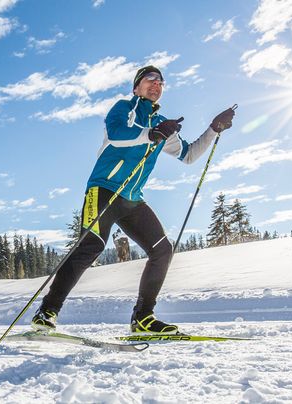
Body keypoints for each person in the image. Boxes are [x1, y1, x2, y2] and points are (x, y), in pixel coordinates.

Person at [31, 65, 235, 335]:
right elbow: (117, 136)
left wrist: (213, 129)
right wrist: (152, 134)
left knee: (163, 250)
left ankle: (143, 318)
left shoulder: (163, 125)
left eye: (161, 81)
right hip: (104, 189)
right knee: (90, 247)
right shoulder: (124, 108)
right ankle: (47, 312)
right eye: (150, 79)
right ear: (136, 86)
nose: (156, 84)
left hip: (132, 199)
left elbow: (189, 155)